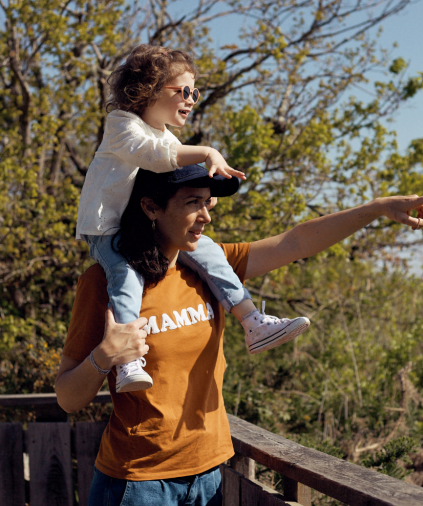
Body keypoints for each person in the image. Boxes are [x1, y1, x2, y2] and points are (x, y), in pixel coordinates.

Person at [56, 163, 423, 506]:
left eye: (208, 202)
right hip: (137, 490)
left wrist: (379, 208)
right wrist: (105, 355)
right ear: (149, 207)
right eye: (192, 203)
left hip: (207, 481)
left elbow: (295, 243)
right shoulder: (103, 282)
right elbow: (67, 396)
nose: (206, 215)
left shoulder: (207, 265)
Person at [76, 45, 309, 394]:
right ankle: (128, 360)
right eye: (183, 91)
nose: (191, 99)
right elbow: (154, 157)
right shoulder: (122, 125)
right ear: (147, 91)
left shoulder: (167, 135)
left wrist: (205, 193)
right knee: (125, 274)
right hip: (106, 228)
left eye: (194, 92)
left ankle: (252, 321)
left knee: (209, 250)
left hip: (143, 225)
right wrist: (207, 152)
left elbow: (172, 169)